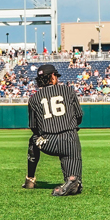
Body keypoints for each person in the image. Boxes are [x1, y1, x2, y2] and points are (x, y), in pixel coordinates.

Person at [26, 64, 84, 196]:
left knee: (33, 140)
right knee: (75, 180)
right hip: (69, 140)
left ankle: (30, 178)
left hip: (48, 142)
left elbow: (34, 127)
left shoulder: (34, 99)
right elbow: (79, 116)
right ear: (53, 76)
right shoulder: (68, 91)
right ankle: (72, 180)